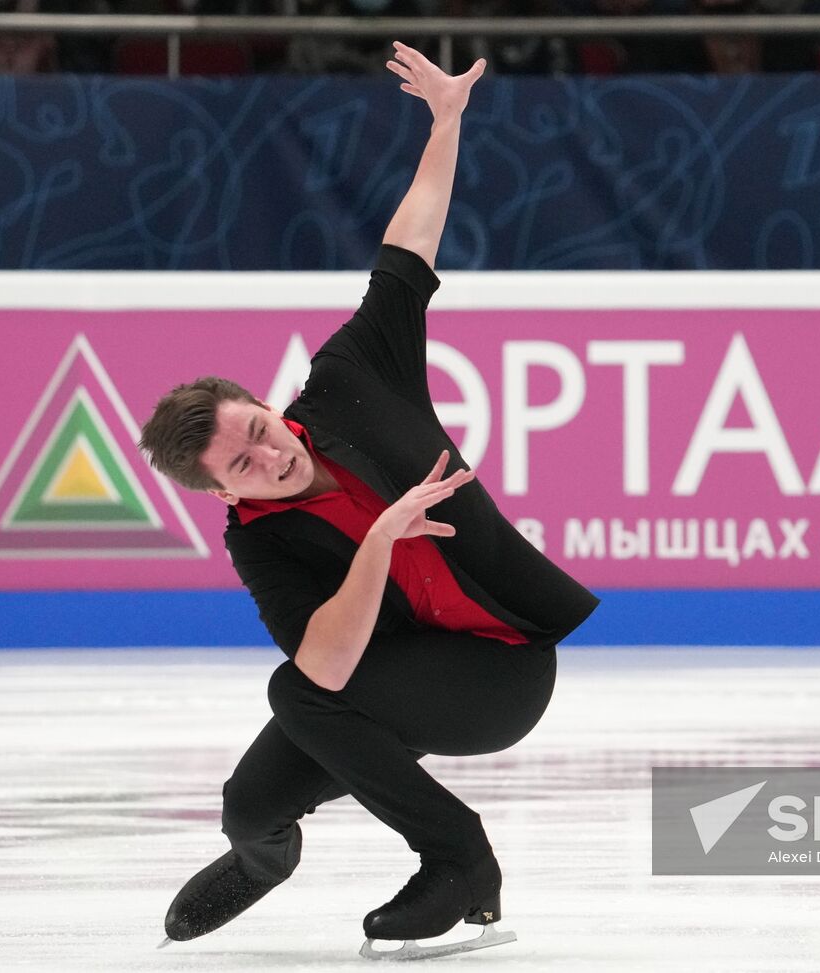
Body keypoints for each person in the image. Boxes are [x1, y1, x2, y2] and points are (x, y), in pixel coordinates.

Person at [138, 43, 598, 958]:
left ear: (266, 402)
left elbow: (407, 247)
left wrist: (446, 122)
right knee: (250, 803)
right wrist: (380, 540)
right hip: (396, 675)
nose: (269, 455)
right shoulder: (259, 542)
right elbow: (327, 662)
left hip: (502, 668)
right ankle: (265, 859)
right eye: (242, 465)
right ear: (221, 492)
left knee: (297, 696)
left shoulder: (352, 379)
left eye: (259, 427)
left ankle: (459, 860)